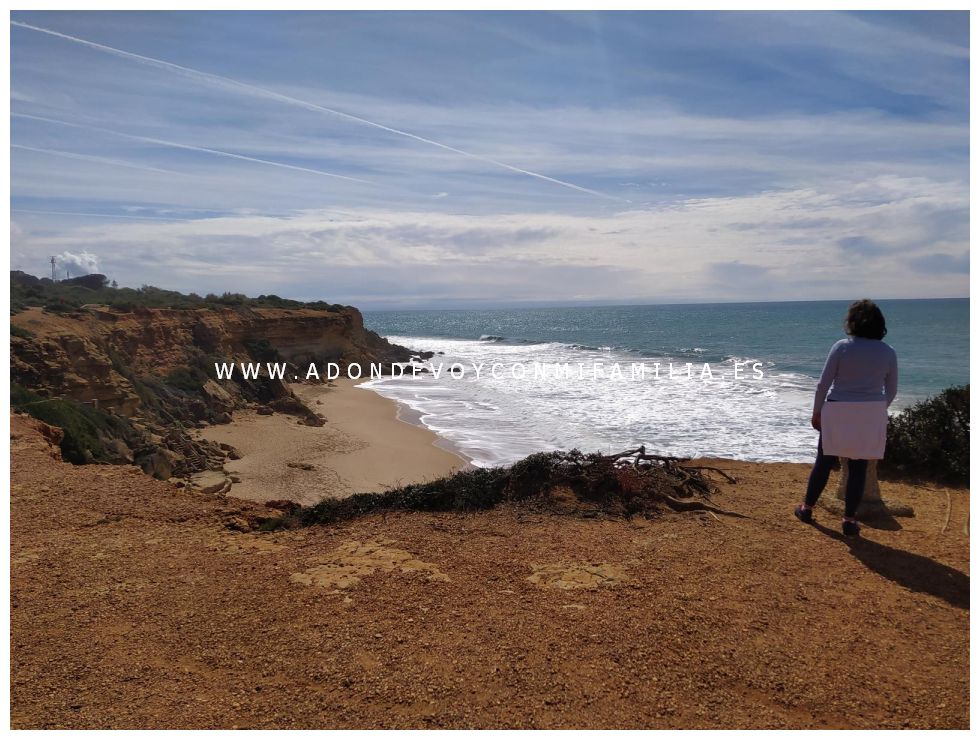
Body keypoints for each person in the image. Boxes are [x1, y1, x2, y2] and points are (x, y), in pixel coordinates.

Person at [794, 299, 898, 537]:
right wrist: (875, 411)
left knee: (823, 461)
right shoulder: (888, 352)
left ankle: (807, 508)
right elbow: (891, 390)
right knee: (858, 467)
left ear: (852, 322)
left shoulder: (842, 347)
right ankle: (849, 520)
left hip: (838, 409)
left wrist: (816, 411)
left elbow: (823, 383)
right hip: (870, 412)